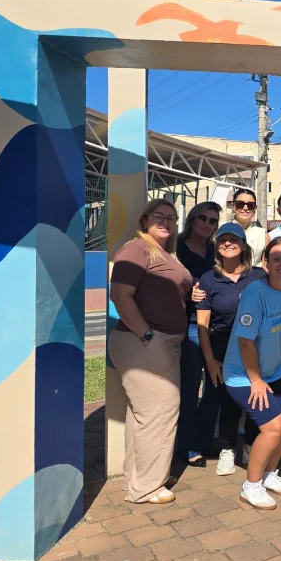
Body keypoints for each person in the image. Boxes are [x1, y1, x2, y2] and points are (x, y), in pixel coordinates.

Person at [108, 199, 193, 504]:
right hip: (145, 341)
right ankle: (147, 487)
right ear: (144, 220)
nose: (166, 221)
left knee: (144, 414)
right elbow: (119, 294)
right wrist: (146, 333)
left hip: (158, 342)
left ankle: (140, 477)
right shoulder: (137, 248)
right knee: (161, 410)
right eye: (159, 215)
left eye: (171, 217)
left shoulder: (162, 253)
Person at [223, 237, 281, 509]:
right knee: (271, 428)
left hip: (275, 371)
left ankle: (269, 475)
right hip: (242, 375)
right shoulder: (255, 293)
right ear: (265, 263)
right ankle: (251, 485)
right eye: (276, 258)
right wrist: (255, 380)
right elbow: (245, 342)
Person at [195, 224, 266, 476]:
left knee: (255, 398)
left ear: (244, 245)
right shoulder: (208, 279)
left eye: (233, 239)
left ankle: (249, 445)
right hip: (222, 347)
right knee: (228, 399)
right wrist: (210, 360)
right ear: (217, 246)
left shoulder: (258, 276)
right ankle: (227, 448)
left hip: (255, 347)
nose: (227, 243)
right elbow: (203, 326)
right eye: (222, 239)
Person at [175, 201, 220, 467]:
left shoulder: (216, 249)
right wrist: (187, 289)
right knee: (190, 388)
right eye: (202, 217)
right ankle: (188, 445)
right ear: (192, 218)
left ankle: (204, 440)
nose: (207, 223)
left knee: (215, 387)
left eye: (213, 220)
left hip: (215, 326)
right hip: (189, 325)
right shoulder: (176, 246)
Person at [230, 187, 267, 267]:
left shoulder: (262, 234)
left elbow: (266, 264)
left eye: (250, 205)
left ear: (255, 208)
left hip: (255, 278)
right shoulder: (222, 230)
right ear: (233, 206)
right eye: (240, 204)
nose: (245, 208)